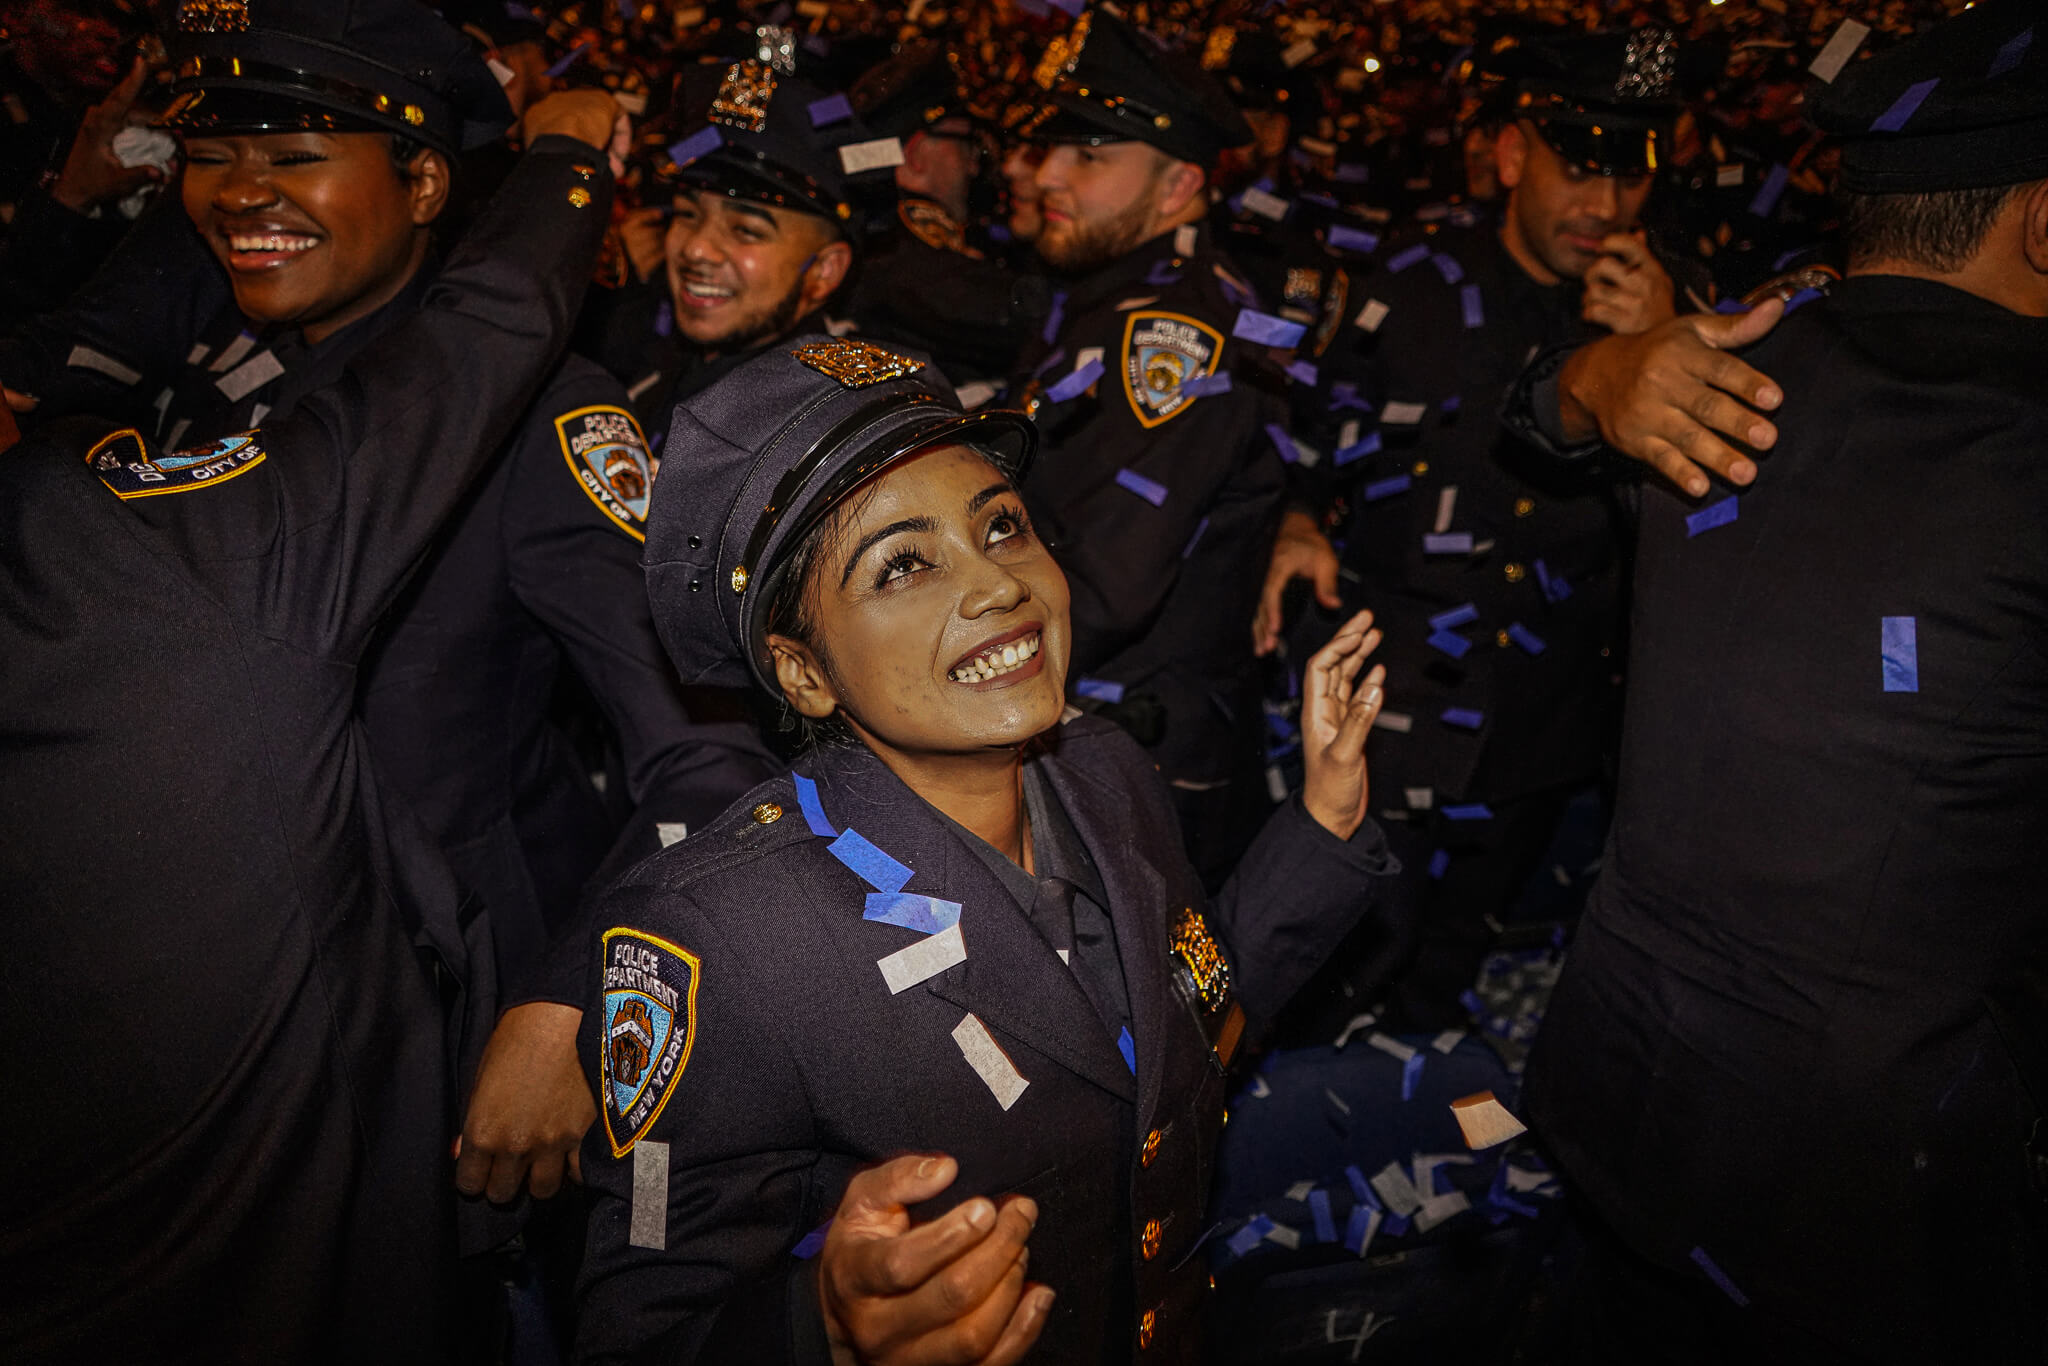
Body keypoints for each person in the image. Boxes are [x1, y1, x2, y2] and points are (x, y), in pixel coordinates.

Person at [572, 334, 1402, 1364]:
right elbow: (636, 1327)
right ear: (801, 673)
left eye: (1000, 526)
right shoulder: (719, 941)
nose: (999, 585)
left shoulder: (1101, 769)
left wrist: (1319, 825)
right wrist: (819, 1324)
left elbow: (1187, 1031)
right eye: (903, 564)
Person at [0, 84, 621, 1363]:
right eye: (212, 161)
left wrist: (582, 996)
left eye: (289, 155)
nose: (237, 194)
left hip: (452, 1070)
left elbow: (700, 748)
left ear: (425, 184)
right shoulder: (187, 430)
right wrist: (563, 160)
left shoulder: (544, 416)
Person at [1505, 1, 2048, 1355]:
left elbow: (1533, 421)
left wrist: (1588, 376)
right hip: (1863, 1190)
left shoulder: (1717, 370)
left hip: (1625, 1089)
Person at [1251, 27, 1686, 1034]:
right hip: (1391, 721)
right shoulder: (1402, 284)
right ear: (1506, 158)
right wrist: (1298, 521)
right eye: (1577, 171)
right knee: (1340, 979)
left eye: (1628, 180)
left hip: (1545, 725)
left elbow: (1708, 525)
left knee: (1452, 980)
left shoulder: (1668, 310)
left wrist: (1656, 350)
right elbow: (1304, 435)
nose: (1605, 208)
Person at [1006, 10, 1288, 884]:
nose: (1046, 175)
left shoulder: (1177, 333)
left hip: (1121, 763)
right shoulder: (1116, 288)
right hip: (1088, 735)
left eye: (1088, 155)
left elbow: (1100, 589)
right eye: (1051, 148)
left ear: (1178, 188)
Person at [578, 56, 878, 430]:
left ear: (824, 270)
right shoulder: (651, 340)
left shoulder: (830, 417)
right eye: (686, 215)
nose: (695, 249)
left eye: (746, 231)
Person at [845, 38, 1051, 387]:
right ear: (917, 156)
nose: (974, 166)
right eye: (966, 145)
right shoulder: (892, 257)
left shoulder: (906, 244)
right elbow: (1019, 315)